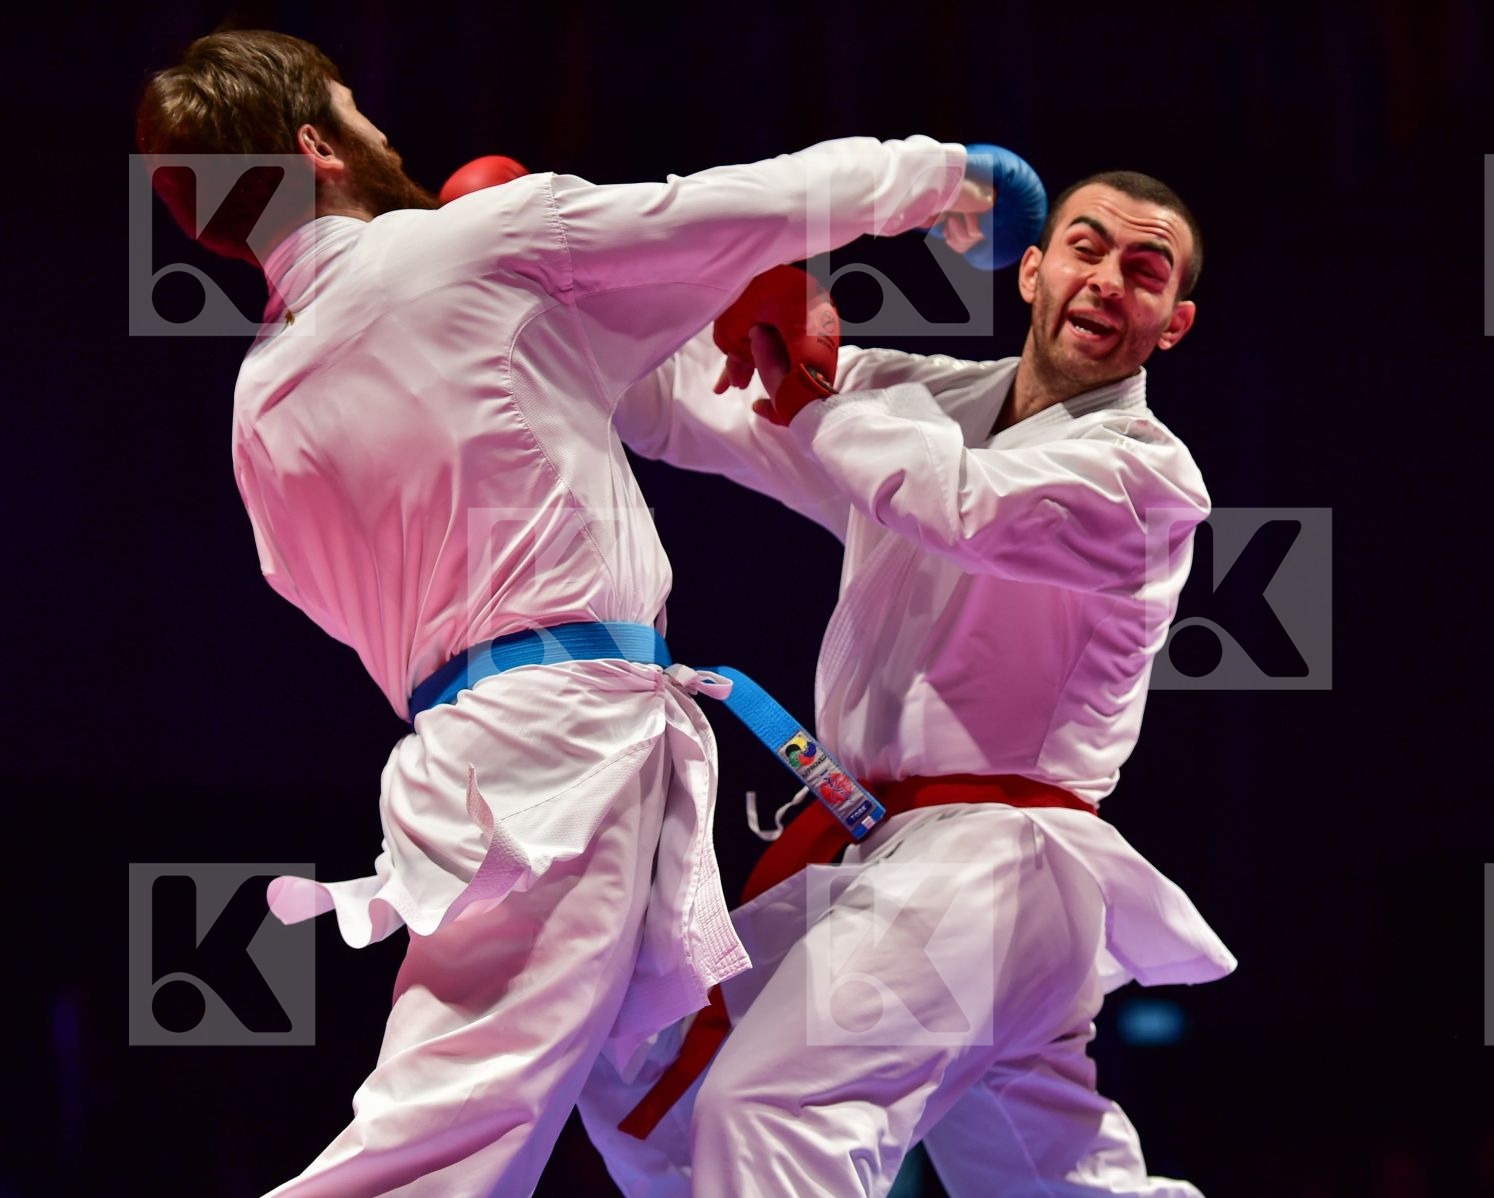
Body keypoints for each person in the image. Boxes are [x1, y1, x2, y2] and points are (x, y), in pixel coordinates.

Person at [135, 28, 1018, 1197]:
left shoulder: (261, 405)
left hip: (491, 751)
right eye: (358, 112)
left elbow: (318, 583)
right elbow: (721, 208)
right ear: (318, 147)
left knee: (686, 1112)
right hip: (562, 756)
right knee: (445, 1142)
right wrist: (939, 175)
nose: (384, 132)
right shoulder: (466, 246)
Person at [582, 171, 1237, 1195]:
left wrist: (816, 399)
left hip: (997, 864)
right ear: (1032, 270)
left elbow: (962, 504)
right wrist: (534, 298)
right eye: (1087, 248)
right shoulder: (920, 404)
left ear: (1174, 322)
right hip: (910, 864)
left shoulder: (1148, 477)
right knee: (641, 1068)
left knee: (771, 1106)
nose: (1109, 279)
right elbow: (697, 406)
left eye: (1143, 271)